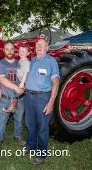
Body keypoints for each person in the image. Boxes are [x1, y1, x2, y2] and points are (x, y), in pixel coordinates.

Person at [24, 37, 60, 166]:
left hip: (42, 98)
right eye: (37, 44)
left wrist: (50, 103)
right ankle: (31, 145)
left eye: (42, 45)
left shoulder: (51, 62)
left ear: (47, 48)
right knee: (29, 124)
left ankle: (41, 153)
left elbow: (55, 84)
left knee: (42, 127)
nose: (39, 47)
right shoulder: (32, 60)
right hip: (28, 96)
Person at [0, 40, 27, 150]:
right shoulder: (0, 64)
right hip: (6, 99)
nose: (9, 51)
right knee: (2, 121)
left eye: (12, 49)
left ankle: (18, 136)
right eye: (7, 49)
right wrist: (16, 88)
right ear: (3, 50)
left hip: (20, 99)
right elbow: (2, 79)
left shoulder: (20, 63)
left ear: (15, 50)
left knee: (18, 119)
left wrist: (24, 87)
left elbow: (26, 77)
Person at [3, 41, 31, 113]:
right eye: (20, 51)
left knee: (13, 90)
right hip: (19, 79)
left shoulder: (26, 62)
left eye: (23, 51)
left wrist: (22, 83)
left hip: (23, 81)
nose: (21, 52)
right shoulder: (21, 60)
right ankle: (13, 105)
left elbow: (26, 73)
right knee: (13, 90)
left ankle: (12, 106)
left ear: (28, 53)